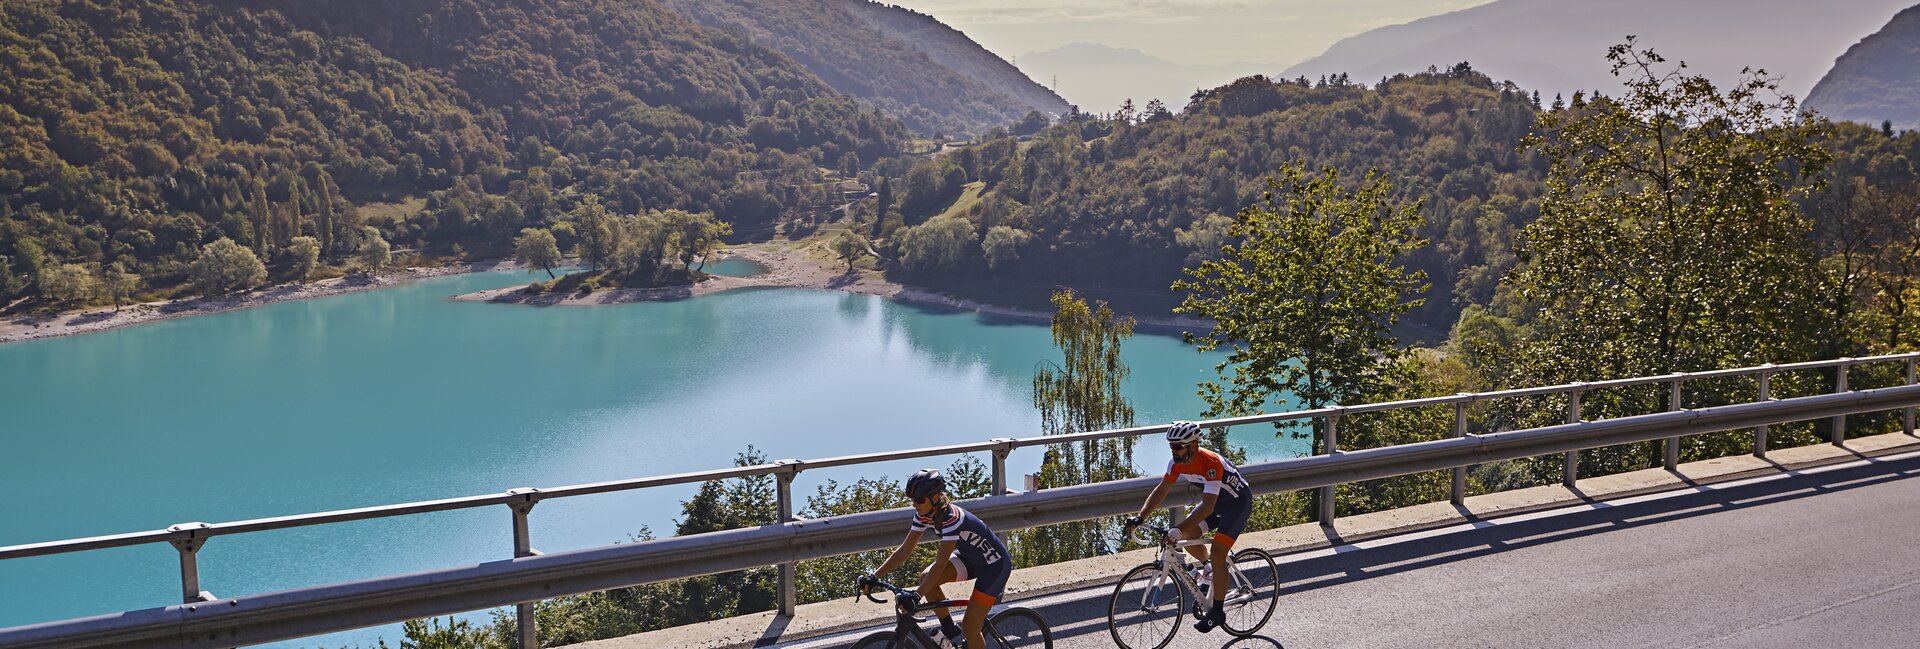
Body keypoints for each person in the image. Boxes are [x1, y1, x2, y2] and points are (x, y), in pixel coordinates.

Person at [1123, 420, 1252, 633]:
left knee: (1218, 552)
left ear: (1193, 445)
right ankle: (1208, 569)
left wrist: (1178, 528)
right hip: (1216, 503)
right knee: (1188, 535)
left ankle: (1217, 612)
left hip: (1236, 505)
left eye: (1177, 446)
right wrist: (1140, 517)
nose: (1173, 451)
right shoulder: (1176, 463)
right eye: (1171, 446)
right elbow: (1161, 490)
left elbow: (1208, 506)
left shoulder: (1210, 463)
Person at [861, 468, 1011, 648]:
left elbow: (940, 563)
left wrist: (916, 596)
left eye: (919, 499)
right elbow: (905, 550)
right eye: (912, 500)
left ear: (935, 497)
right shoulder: (924, 515)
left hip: (994, 566)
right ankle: (950, 630)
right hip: (970, 559)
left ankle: (961, 632)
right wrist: (874, 576)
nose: (915, 504)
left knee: (970, 626)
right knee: (926, 578)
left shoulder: (951, 518)